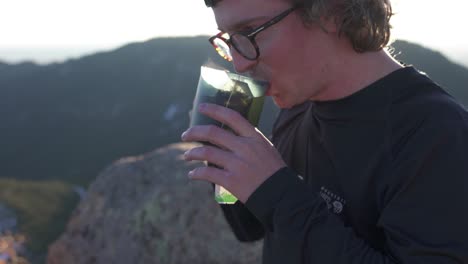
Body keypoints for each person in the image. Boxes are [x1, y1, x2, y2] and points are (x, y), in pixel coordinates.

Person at [181, 0, 468, 263]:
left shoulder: (436, 133)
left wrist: (278, 194)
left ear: (331, 11)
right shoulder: (300, 107)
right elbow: (251, 228)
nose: (239, 62)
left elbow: (283, 208)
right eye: (230, 40)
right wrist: (224, 158)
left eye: (250, 31)